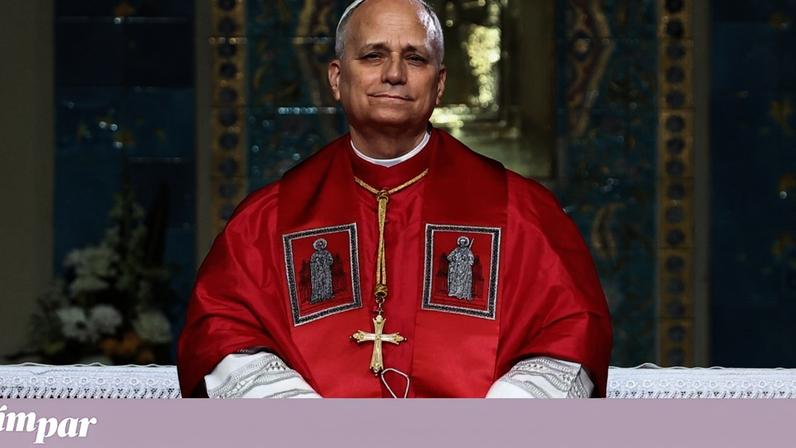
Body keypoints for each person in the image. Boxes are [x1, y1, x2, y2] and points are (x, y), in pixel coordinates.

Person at [177, 0, 611, 399]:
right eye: (373, 55)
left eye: (415, 58)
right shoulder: (269, 219)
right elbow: (222, 328)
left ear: (439, 84)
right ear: (336, 77)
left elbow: (571, 330)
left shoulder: (520, 211)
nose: (394, 74)